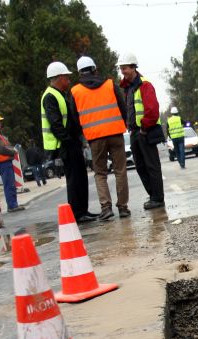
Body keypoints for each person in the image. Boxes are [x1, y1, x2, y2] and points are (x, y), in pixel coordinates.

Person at [70, 56, 130, 220]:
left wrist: (84, 133)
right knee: (120, 171)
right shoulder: (110, 84)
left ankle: (106, 207)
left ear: (79, 73)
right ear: (95, 69)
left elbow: (75, 118)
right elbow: (123, 107)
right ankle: (123, 208)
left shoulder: (75, 91)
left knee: (100, 173)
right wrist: (124, 124)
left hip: (95, 138)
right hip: (116, 133)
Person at [41, 61, 98, 222]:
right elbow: (56, 124)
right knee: (74, 179)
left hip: (71, 143)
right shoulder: (50, 96)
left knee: (80, 176)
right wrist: (69, 141)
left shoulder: (58, 94)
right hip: (65, 145)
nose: (68, 81)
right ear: (59, 78)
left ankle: (82, 210)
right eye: (66, 78)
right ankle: (77, 213)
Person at [118, 52, 165, 210]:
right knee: (141, 166)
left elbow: (152, 110)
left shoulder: (144, 85)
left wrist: (144, 128)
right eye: (121, 68)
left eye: (124, 68)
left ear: (133, 67)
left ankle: (157, 198)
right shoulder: (128, 87)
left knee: (151, 166)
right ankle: (153, 195)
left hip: (145, 131)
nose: (122, 71)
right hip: (135, 132)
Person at [0, 112, 24, 213]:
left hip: (5, 162)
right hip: (2, 162)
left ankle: (13, 204)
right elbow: (2, 149)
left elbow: (5, 146)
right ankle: (12, 206)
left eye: (0, 121)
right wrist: (13, 152)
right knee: (9, 185)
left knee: (10, 184)